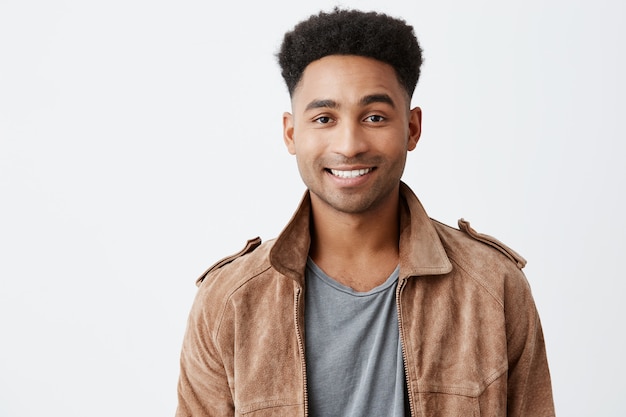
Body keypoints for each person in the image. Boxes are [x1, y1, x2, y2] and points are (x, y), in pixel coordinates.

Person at [175, 8, 555, 417]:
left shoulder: (493, 286)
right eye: (324, 118)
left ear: (412, 128)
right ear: (291, 133)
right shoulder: (228, 302)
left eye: (374, 117)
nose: (350, 144)